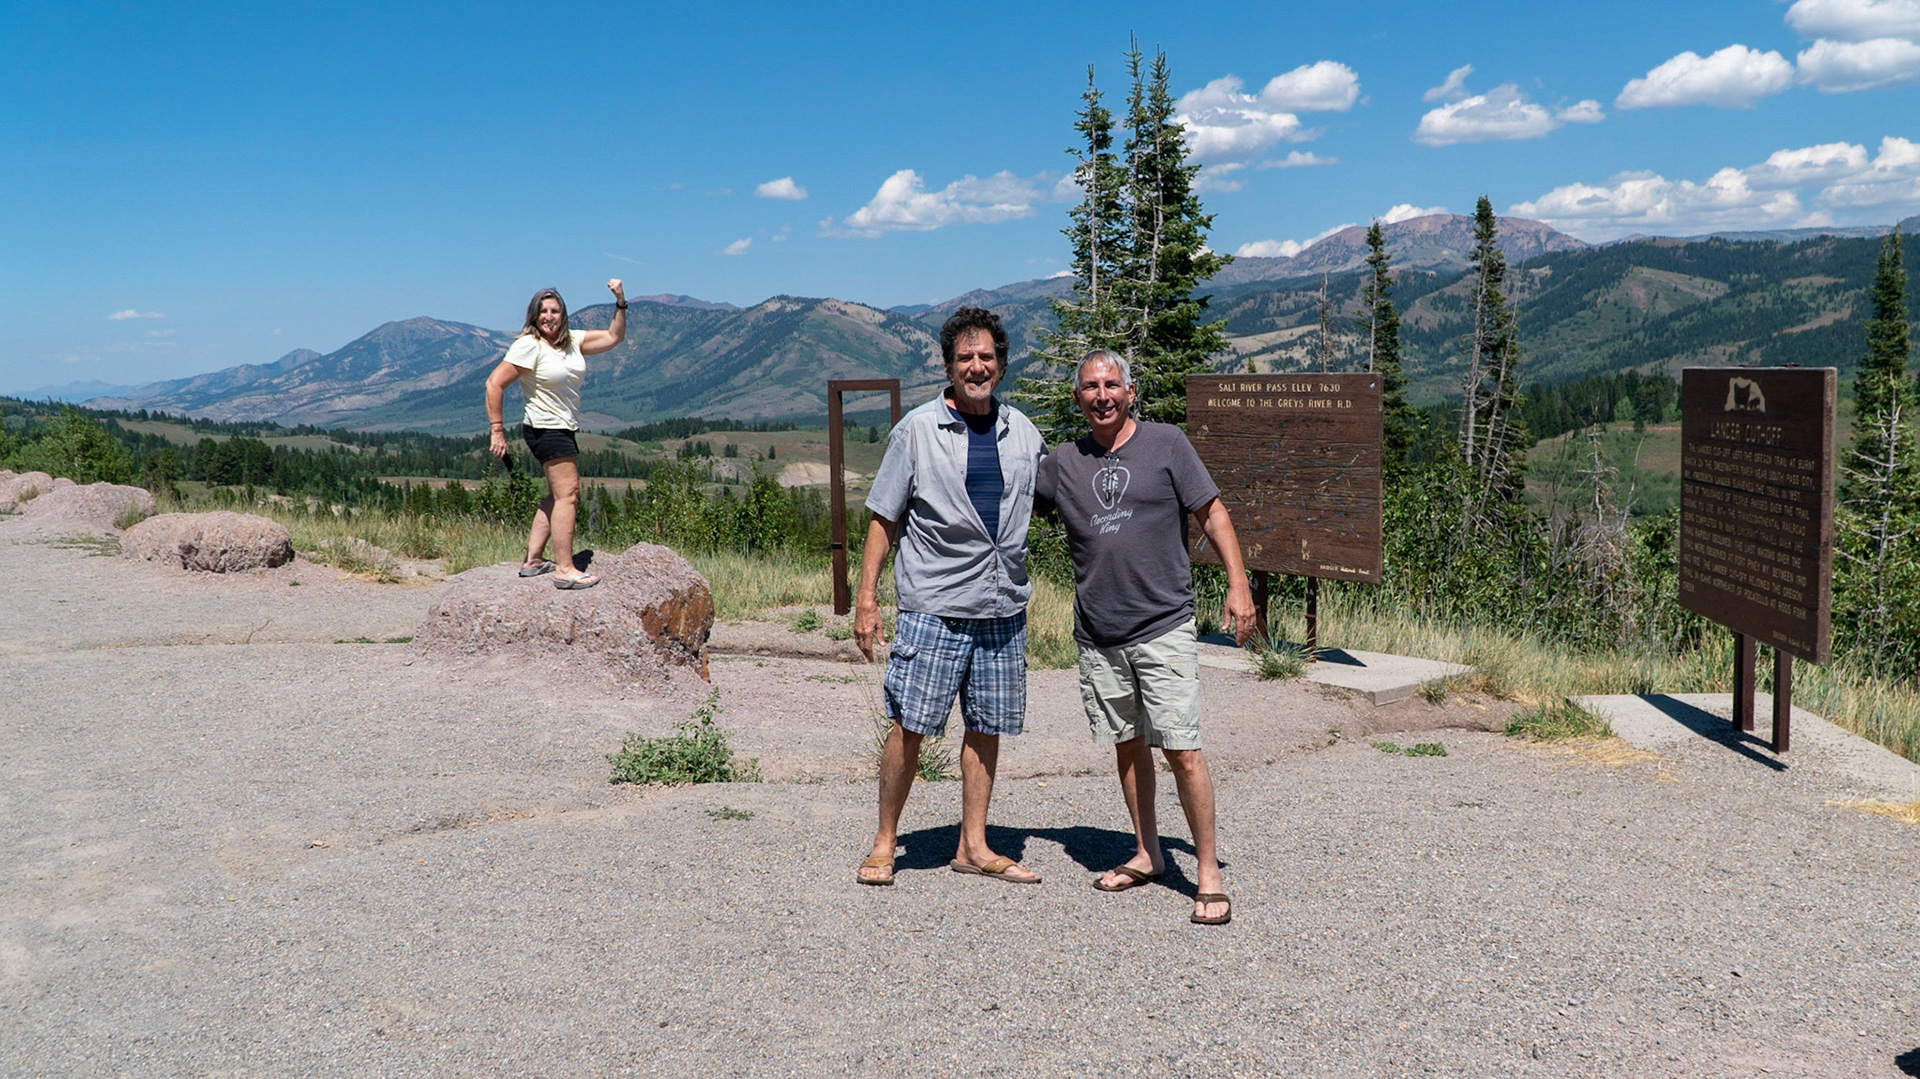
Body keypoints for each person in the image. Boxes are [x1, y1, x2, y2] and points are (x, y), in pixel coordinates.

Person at [1035, 349, 1256, 925]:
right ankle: (1148, 852)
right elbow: (1005, 494)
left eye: (1111, 385)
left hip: (1163, 624)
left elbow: (1213, 513)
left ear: (1130, 393)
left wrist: (1239, 586)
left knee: (1181, 749)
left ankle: (1207, 872)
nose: (1102, 395)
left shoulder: (1167, 443)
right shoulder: (1063, 463)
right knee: (1127, 746)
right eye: (1090, 387)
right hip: (1099, 633)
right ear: (1078, 397)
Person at [852, 306, 1046, 886]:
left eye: (986, 357)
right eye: (966, 358)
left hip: (1001, 605)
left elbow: (1060, 498)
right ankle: (885, 842)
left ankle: (974, 845)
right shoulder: (916, 431)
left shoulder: (1024, 432)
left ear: (1002, 364)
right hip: (935, 604)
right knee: (910, 723)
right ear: (948, 365)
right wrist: (867, 600)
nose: (977, 366)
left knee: (985, 726)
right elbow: (884, 518)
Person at [483, 280, 627, 589]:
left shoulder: (573, 340)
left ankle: (534, 560)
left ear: (563, 314)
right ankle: (564, 569)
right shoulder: (528, 345)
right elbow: (494, 383)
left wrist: (620, 302)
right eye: (543, 311)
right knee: (568, 496)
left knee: (556, 495)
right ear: (534, 316)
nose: (549, 316)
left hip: (562, 427)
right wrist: (497, 430)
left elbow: (614, 336)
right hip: (546, 428)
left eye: (555, 310)